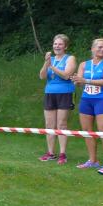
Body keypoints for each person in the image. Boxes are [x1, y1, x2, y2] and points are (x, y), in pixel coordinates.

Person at [71, 38, 103, 175]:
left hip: (102, 99)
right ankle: (93, 160)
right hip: (86, 99)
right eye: (100, 47)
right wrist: (76, 81)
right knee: (87, 131)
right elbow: (80, 82)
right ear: (92, 49)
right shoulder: (84, 64)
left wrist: (85, 80)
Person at [38, 34, 76, 164]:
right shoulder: (51, 59)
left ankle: (63, 154)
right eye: (55, 44)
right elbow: (42, 76)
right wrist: (46, 63)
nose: (57, 46)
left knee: (61, 124)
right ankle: (51, 153)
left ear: (65, 46)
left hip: (65, 93)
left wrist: (52, 66)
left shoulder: (70, 58)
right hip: (50, 93)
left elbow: (66, 75)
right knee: (49, 125)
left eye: (60, 44)